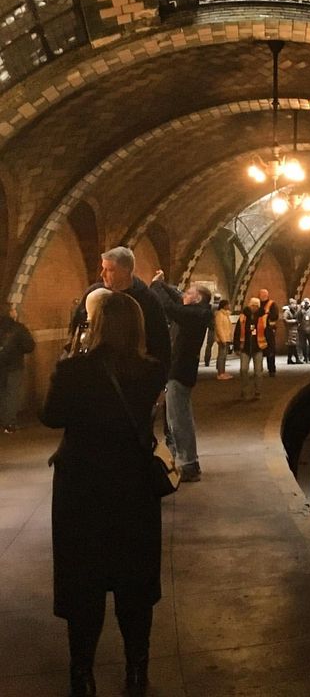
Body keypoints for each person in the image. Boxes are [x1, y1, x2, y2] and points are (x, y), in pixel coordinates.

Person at [40, 292, 166, 697]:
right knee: (134, 583)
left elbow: (51, 416)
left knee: (83, 583)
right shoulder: (151, 372)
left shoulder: (73, 370)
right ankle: (135, 670)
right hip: (134, 488)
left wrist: (67, 361)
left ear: (95, 326)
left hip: (82, 490)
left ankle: (82, 674)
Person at [149, 270, 212, 482]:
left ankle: (189, 464)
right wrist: (163, 283)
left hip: (180, 372)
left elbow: (169, 306)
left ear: (197, 298)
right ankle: (182, 460)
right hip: (177, 371)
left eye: (189, 292)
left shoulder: (196, 314)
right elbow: (176, 298)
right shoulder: (194, 311)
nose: (184, 294)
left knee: (179, 420)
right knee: (175, 418)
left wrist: (156, 287)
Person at [71, 247, 171, 373]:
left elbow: (160, 340)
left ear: (126, 271)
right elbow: (77, 327)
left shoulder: (147, 299)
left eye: (109, 270)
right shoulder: (94, 294)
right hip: (95, 369)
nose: (102, 274)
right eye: (103, 268)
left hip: (134, 373)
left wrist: (159, 375)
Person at [0, 305, 35, 432]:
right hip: (14, 365)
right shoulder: (18, 328)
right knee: (12, 394)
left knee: (2, 393)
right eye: (13, 310)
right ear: (10, 313)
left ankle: (3, 420)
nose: (15, 312)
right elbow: (29, 346)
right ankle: (9, 423)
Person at [233, 297, 266, 399]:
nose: (254, 308)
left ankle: (258, 391)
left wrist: (269, 348)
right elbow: (237, 332)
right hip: (245, 347)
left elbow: (267, 332)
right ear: (249, 305)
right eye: (252, 305)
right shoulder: (243, 317)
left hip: (258, 347)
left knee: (258, 372)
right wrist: (236, 347)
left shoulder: (262, 317)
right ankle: (245, 390)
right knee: (243, 370)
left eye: (256, 306)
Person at [257, 288, 279, 376]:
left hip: (268, 330)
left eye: (263, 295)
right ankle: (259, 370)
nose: (261, 296)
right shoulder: (257, 304)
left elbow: (275, 316)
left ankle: (272, 370)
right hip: (259, 330)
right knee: (259, 351)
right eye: (261, 294)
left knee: (270, 350)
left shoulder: (272, 304)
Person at [213, 298, 233, 380]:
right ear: (224, 305)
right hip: (222, 339)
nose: (229, 306)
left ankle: (223, 372)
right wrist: (223, 339)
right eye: (228, 304)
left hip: (226, 337)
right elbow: (219, 327)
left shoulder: (226, 315)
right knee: (222, 356)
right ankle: (220, 373)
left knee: (224, 356)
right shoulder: (219, 315)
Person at [282, 298, 300, 365]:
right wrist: (294, 321)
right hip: (290, 330)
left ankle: (290, 359)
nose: (294, 305)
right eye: (293, 304)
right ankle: (296, 359)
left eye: (295, 304)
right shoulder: (287, 311)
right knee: (292, 345)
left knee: (292, 345)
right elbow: (285, 319)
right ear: (290, 304)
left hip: (294, 329)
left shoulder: (295, 310)